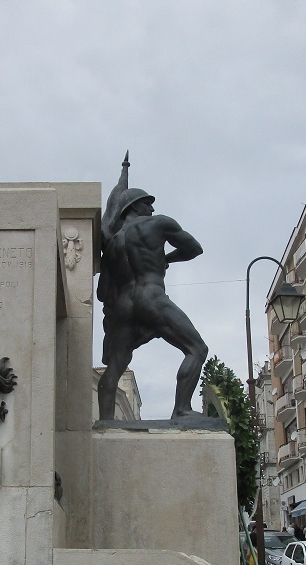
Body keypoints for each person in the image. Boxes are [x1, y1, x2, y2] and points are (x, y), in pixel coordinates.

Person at [96, 153, 208, 420]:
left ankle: (105, 422)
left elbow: (104, 288)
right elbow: (194, 248)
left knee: (115, 366)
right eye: (147, 203)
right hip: (151, 297)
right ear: (133, 207)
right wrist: (166, 259)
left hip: (123, 306)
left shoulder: (111, 244)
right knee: (197, 349)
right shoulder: (158, 224)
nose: (152, 209)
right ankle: (181, 409)